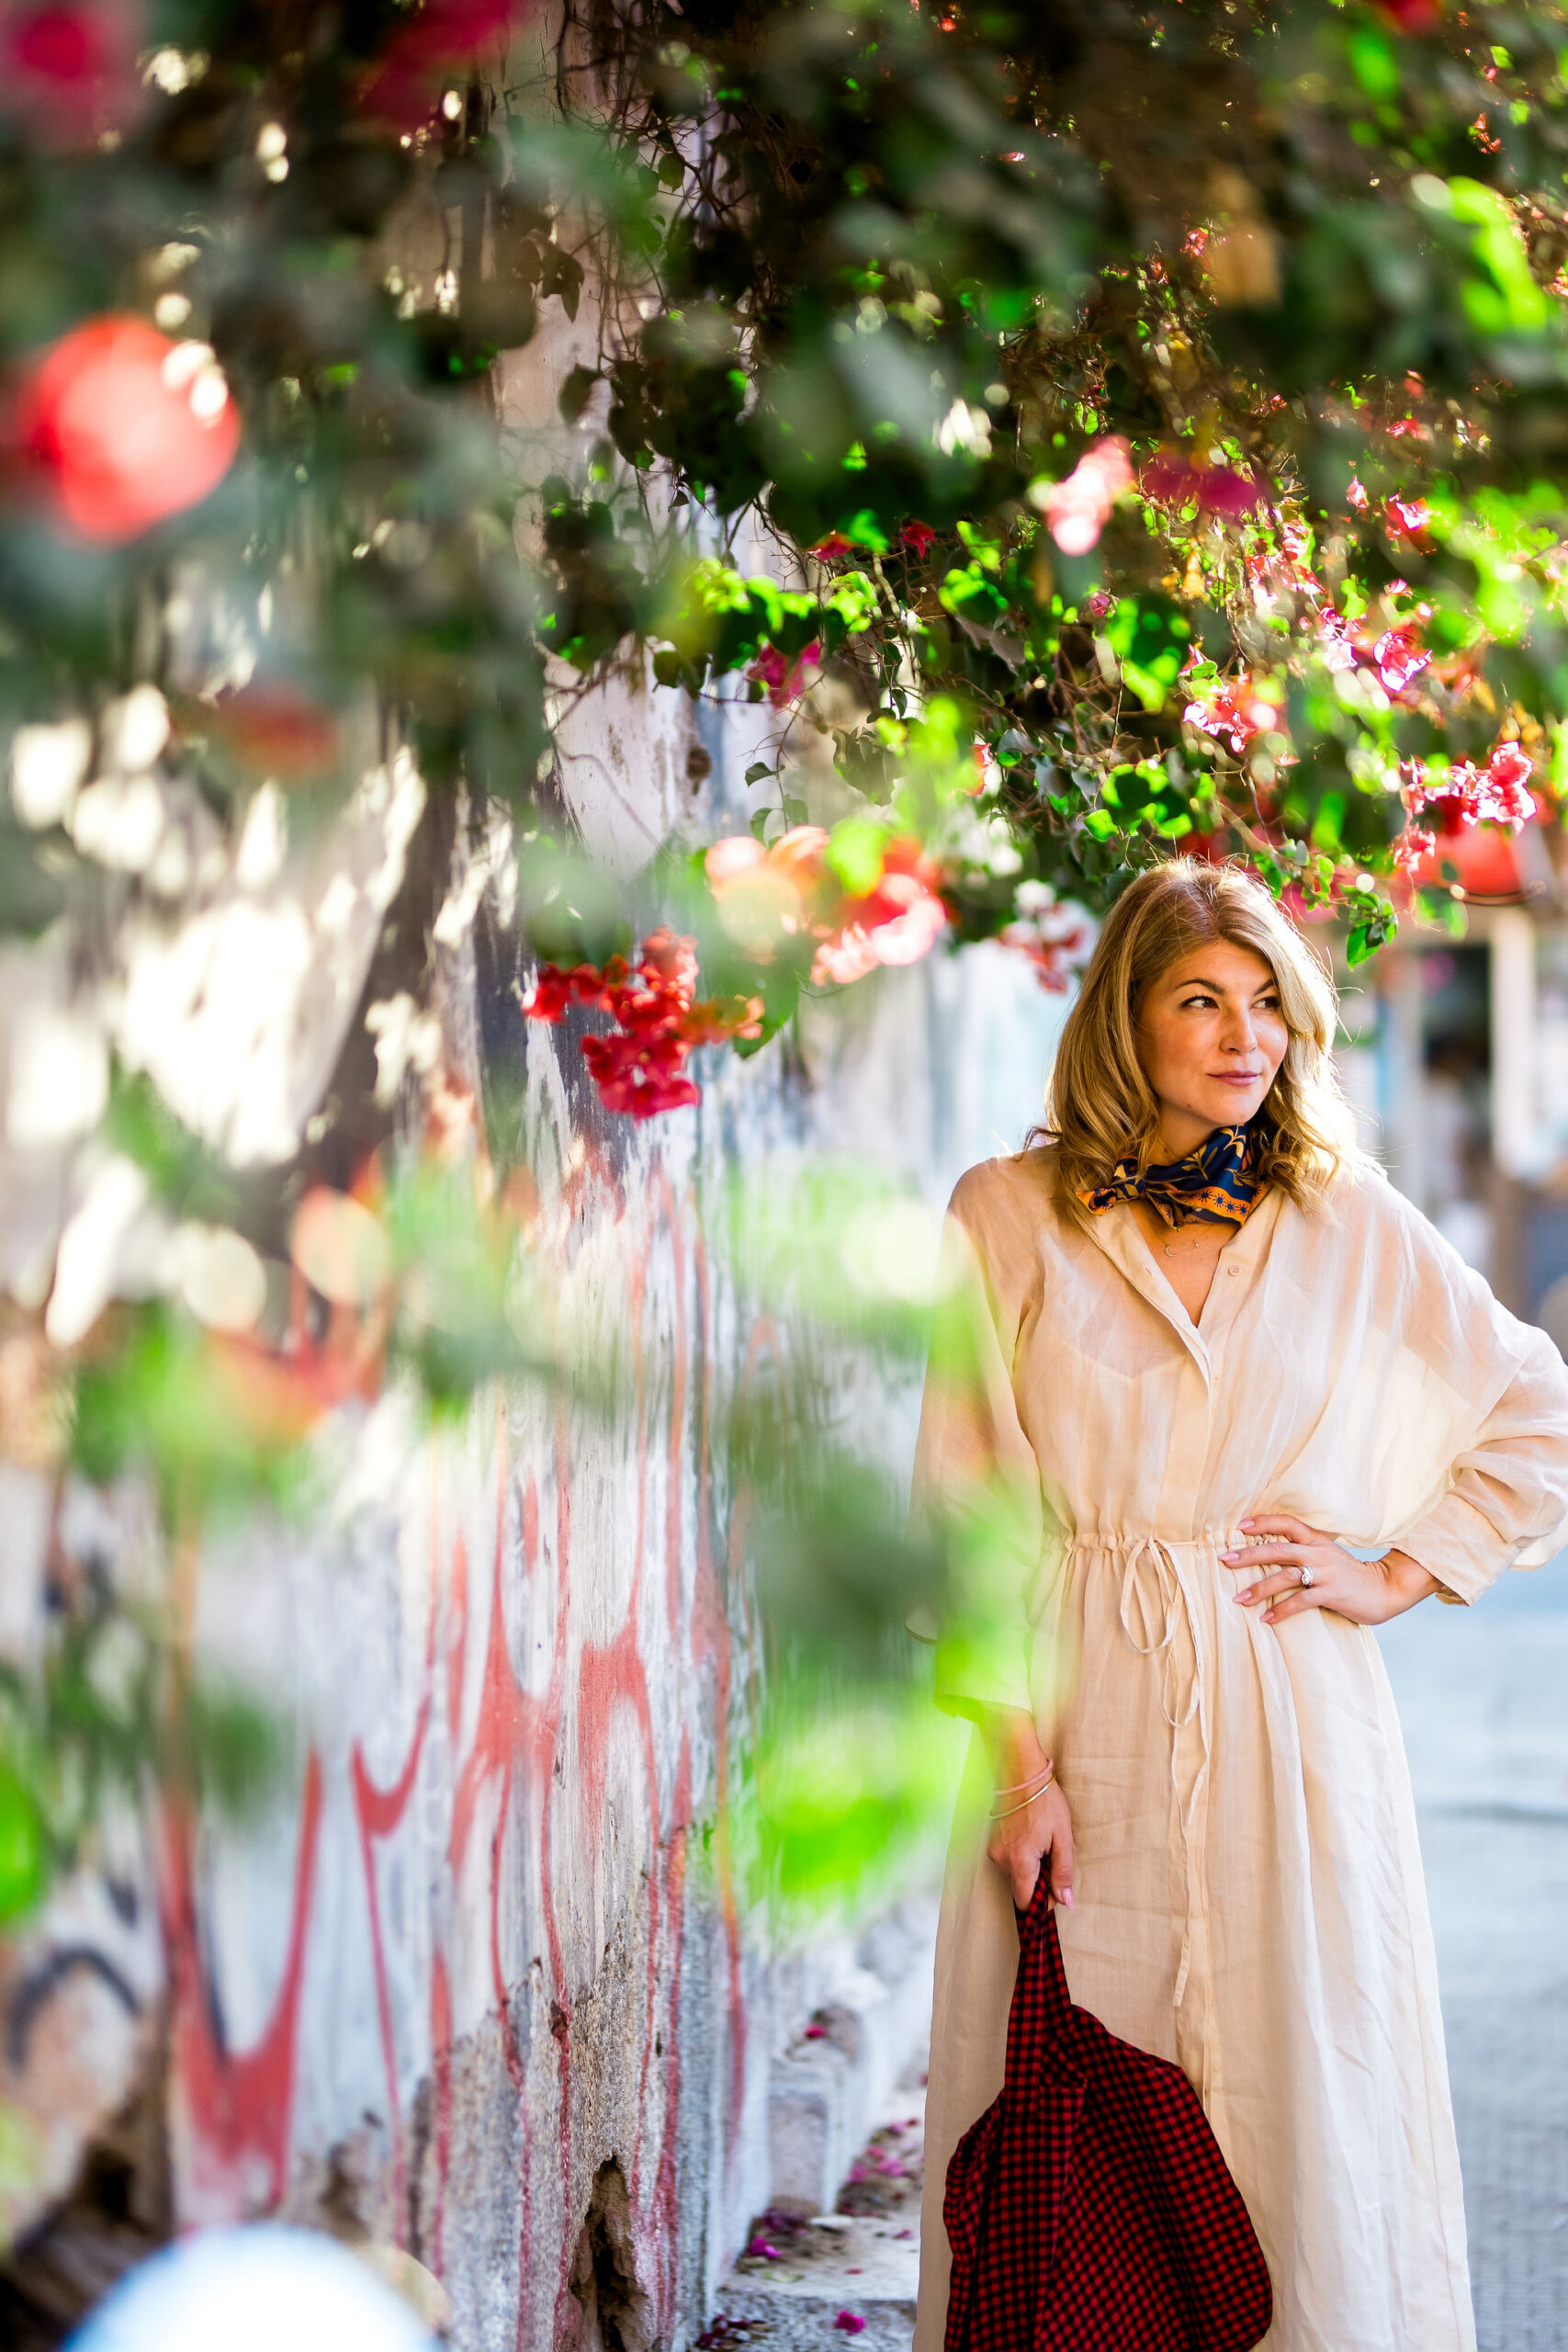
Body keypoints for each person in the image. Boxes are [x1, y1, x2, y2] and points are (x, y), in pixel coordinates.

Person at [910, 858, 1568, 2352]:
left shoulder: (1348, 1219)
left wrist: (1397, 1570)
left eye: (1268, 1003)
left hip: (1295, 1721)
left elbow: (1534, 1407)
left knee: (1297, 2107)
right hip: (1081, 1720)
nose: (1242, 1035)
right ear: (1123, 1021)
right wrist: (1021, 1774)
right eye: (1200, 999)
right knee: (1072, 2124)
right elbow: (965, 1510)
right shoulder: (1006, 1214)